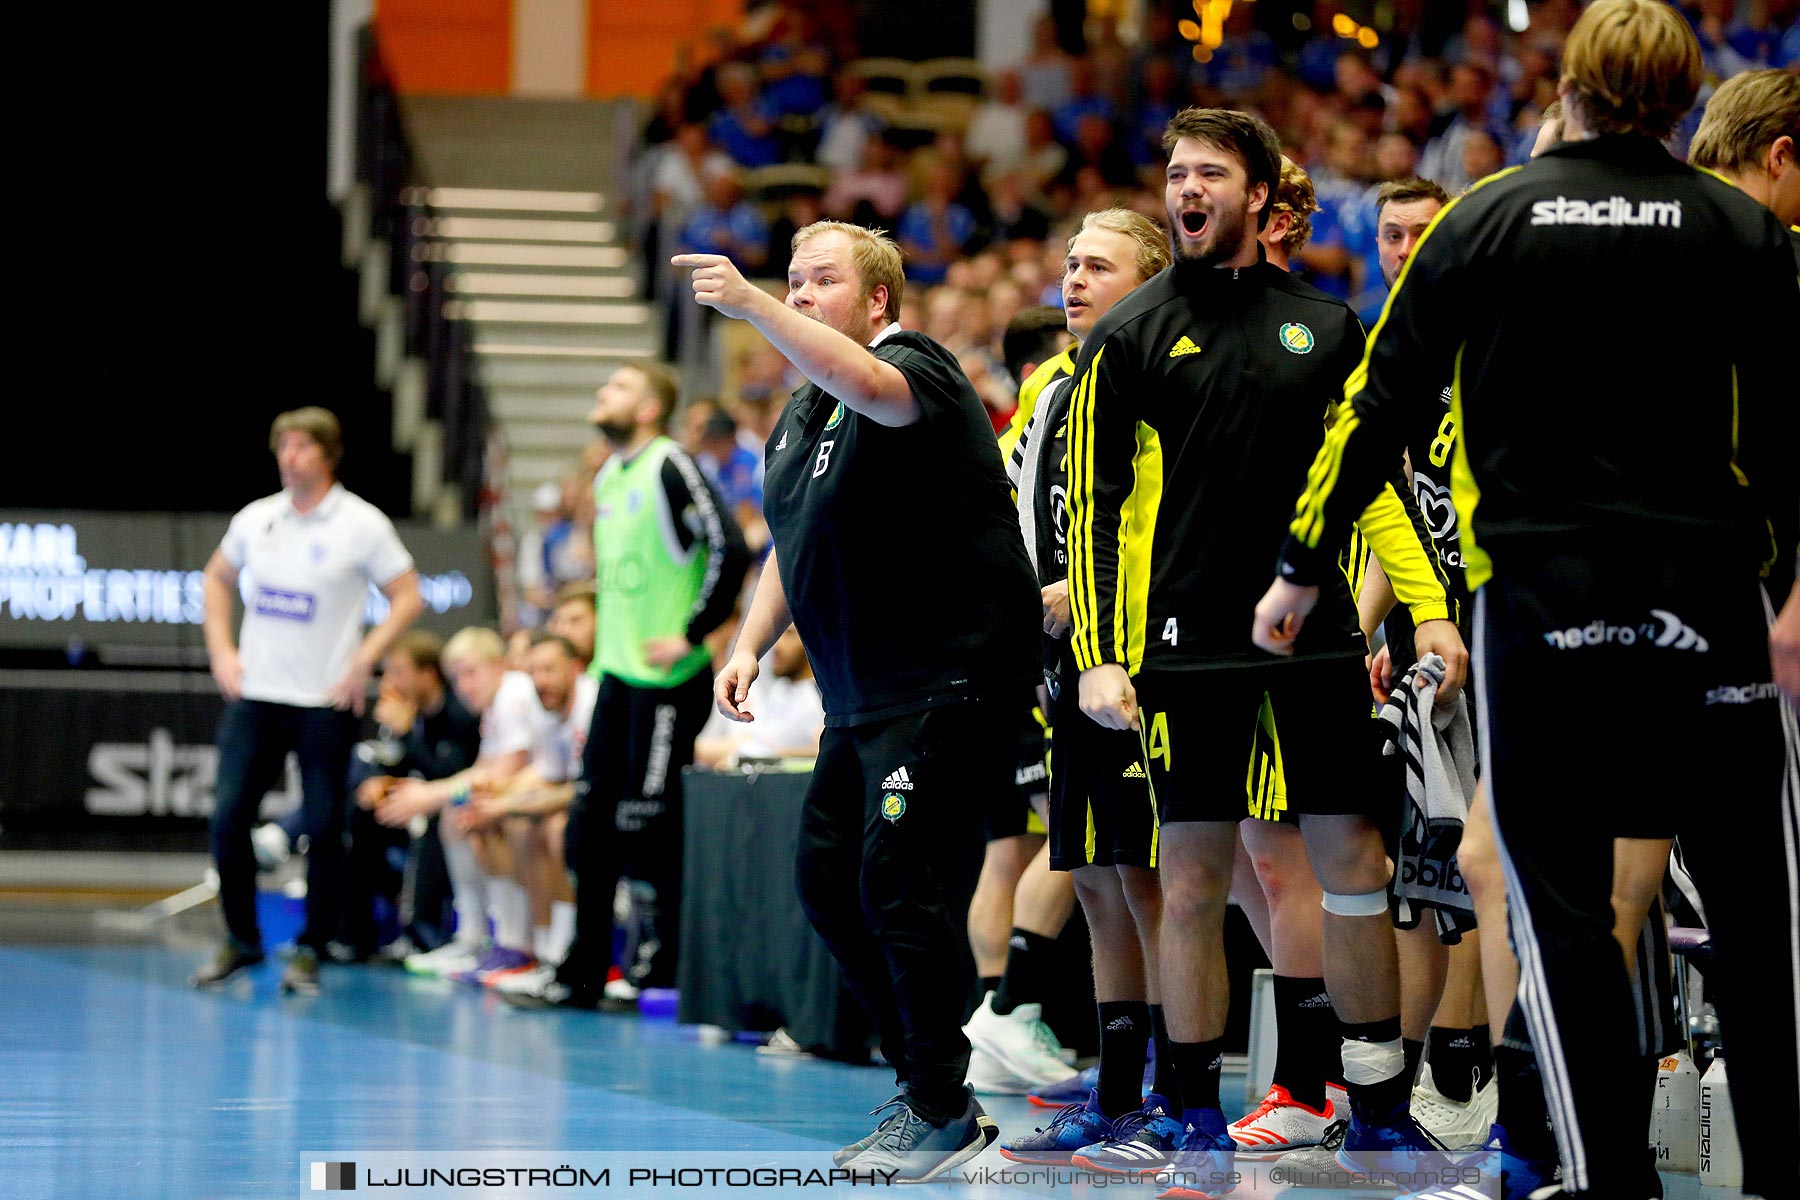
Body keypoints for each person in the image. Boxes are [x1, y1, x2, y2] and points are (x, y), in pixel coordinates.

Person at [1254, 4, 1800, 1196]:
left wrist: (1304, 566)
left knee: (1561, 911)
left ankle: (1605, 1179)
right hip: (1707, 599)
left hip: (1543, 604)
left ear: (1575, 84)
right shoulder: (1742, 229)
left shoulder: (1488, 218)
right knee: (1759, 914)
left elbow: (1375, 403)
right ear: (1681, 91)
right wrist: (1789, 588)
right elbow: (1794, 433)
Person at [1066, 108, 1465, 1187]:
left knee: (1355, 869)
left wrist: (1426, 609)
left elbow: (1372, 486)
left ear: (1256, 190)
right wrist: (1105, 656)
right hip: (1187, 648)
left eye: (1209, 172)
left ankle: (1376, 1103)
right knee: (1192, 875)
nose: (1186, 187)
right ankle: (1189, 1113)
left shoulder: (1326, 327)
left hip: (1320, 639)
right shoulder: (1128, 337)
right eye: (1175, 171)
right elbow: (1094, 514)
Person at [678, 220, 1040, 1179]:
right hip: (860, 694)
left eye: (818, 282)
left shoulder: (912, 363)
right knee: (827, 883)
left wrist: (748, 300)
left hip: (948, 678)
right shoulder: (800, 420)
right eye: (790, 282)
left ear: (877, 299)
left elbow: (874, 391)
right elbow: (788, 549)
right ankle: (931, 1089)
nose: (797, 294)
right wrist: (750, 646)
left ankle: (938, 1105)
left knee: (897, 882)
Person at [987, 209, 1187, 1162]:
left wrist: (1093, 593)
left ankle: (1181, 1090)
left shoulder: (1164, 370)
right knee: (1101, 880)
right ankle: (1114, 1090)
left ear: (1148, 278)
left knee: (1156, 882)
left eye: (1096, 265)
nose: (1072, 278)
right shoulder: (1051, 384)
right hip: (1065, 664)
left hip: (1143, 658)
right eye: (1067, 263)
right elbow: (1015, 500)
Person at [530, 363, 750, 1009]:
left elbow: (729, 544)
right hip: (617, 678)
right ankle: (585, 972)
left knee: (647, 827)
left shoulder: (670, 463)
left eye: (618, 388)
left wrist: (695, 631)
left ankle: (662, 972)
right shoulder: (607, 475)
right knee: (588, 827)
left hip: (666, 680)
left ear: (651, 407)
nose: (603, 394)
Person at [193, 408, 422, 994]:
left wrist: (363, 659)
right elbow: (217, 577)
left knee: (324, 826)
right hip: (258, 694)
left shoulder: (360, 523)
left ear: (328, 454)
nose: (289, 456)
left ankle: (312, 947)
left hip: (324, 699)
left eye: (301, 446)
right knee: (228, 819)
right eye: (282, 446)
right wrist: (222, 650)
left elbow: (407, 596)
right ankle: (241, 940)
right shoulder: (258, 518)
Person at [381, 626, 539, 982]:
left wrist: (432, 795)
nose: (465, 686)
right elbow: (483, 770)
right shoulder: (496, 705)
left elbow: (502, 774)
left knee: (483, 814)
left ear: (498, 665)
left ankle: (520, 945)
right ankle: (477, 938)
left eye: (472, 672)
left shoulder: (513, 696)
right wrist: (436, 794)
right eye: (458, 677)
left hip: (541, 798)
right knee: (458, 812)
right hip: (525, 793)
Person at [461, 631, 597, 997]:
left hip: (610, 809)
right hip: (581, 801)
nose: (541, 680)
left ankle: (559, 952)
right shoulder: (544, 710)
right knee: (506, 822)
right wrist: (497, 794)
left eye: (550, 669)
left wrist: (508, 802)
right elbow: (549, 774)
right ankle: (532, 949)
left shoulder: (592, 704)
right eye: (534, 671)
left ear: (575, 668)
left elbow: (585, 788)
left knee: (556, 829)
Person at [346, 630, 481, 958]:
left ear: (428, 674)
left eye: (399, 672)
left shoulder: (459, 713)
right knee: (360, 814)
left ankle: (426, 935)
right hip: (417, 806)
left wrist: (406, 733)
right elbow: (403, 766)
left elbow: (449, 775)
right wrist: (383, 781)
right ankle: (356, 935)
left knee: (437, 818)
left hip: (461, 802)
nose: (391, 681)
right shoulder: (412, 712)